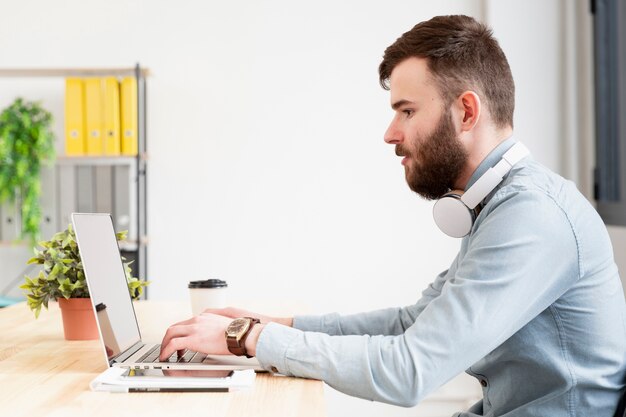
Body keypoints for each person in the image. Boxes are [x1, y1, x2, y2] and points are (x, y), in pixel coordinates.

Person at [160, 15, 626, 416]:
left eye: (406, 111)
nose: (390, 133)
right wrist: (275, 325)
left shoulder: (532, 217)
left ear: (466, 112)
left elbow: (410, 370)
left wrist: (247, 338)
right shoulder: (498, 204)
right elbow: (411, 324)